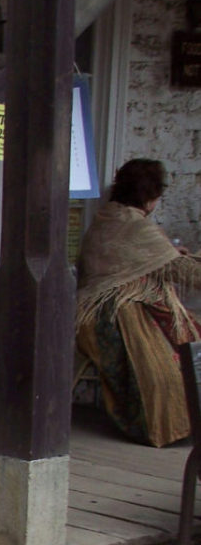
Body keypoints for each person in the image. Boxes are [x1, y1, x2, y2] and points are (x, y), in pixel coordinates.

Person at [76, 159, 201, 446]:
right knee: (164, 369)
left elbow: (152, 258)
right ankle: (164, 427)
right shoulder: (134, 227)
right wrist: (176, 257)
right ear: (149, 197)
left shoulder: (108, 217)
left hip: (98, 312)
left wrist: (168, 253)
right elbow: (181, 271)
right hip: (115, 314)